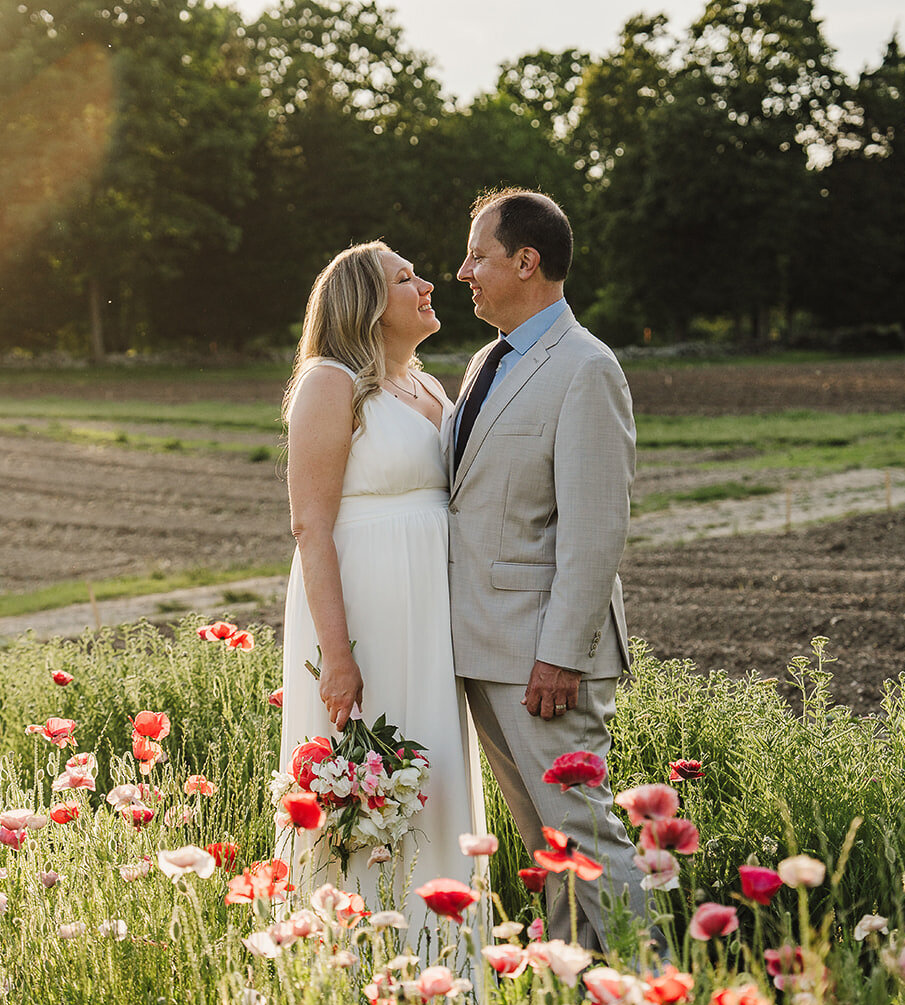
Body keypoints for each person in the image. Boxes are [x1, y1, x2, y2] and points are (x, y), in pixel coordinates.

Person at [446, 188, 646, 952]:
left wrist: (560, 652)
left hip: (543, 658)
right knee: (553, 854)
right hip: (485, 647)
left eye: (478, 256)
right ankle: (586, 1004)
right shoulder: (485, 362)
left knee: (586, 839)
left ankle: (662, 992)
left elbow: (596, 530)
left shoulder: (586, 367)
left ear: (526, 261)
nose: (464, 271)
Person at [276, 241, 486, 943]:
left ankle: (445, 966)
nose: (428, 284)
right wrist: (338, 656)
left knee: (435, 775)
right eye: (406, 278)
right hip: (363, 616)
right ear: (365, 303)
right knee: (368, 783)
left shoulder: (427, 387)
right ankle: (357, 963)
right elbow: (311, 523)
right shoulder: (331, 381)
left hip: (432, 620)